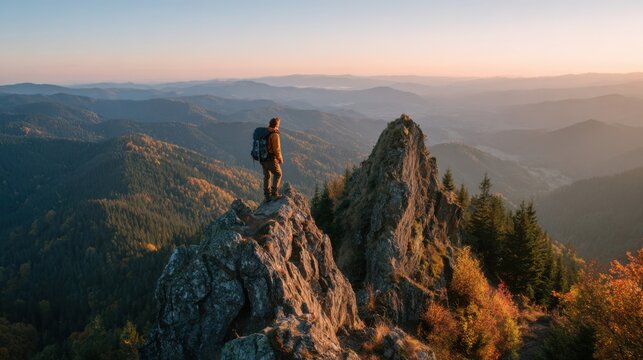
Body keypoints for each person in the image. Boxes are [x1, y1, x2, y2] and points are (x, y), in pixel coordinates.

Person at [261, 117, 283, 202]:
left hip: (262, 158)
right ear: (277, 124)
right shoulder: (274, 134)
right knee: (278, 174)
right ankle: (274, 194)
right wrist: (280, 158)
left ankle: (267, 196)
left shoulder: (265, 132)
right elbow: (276, 149)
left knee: (267, 176)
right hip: (270, 159)